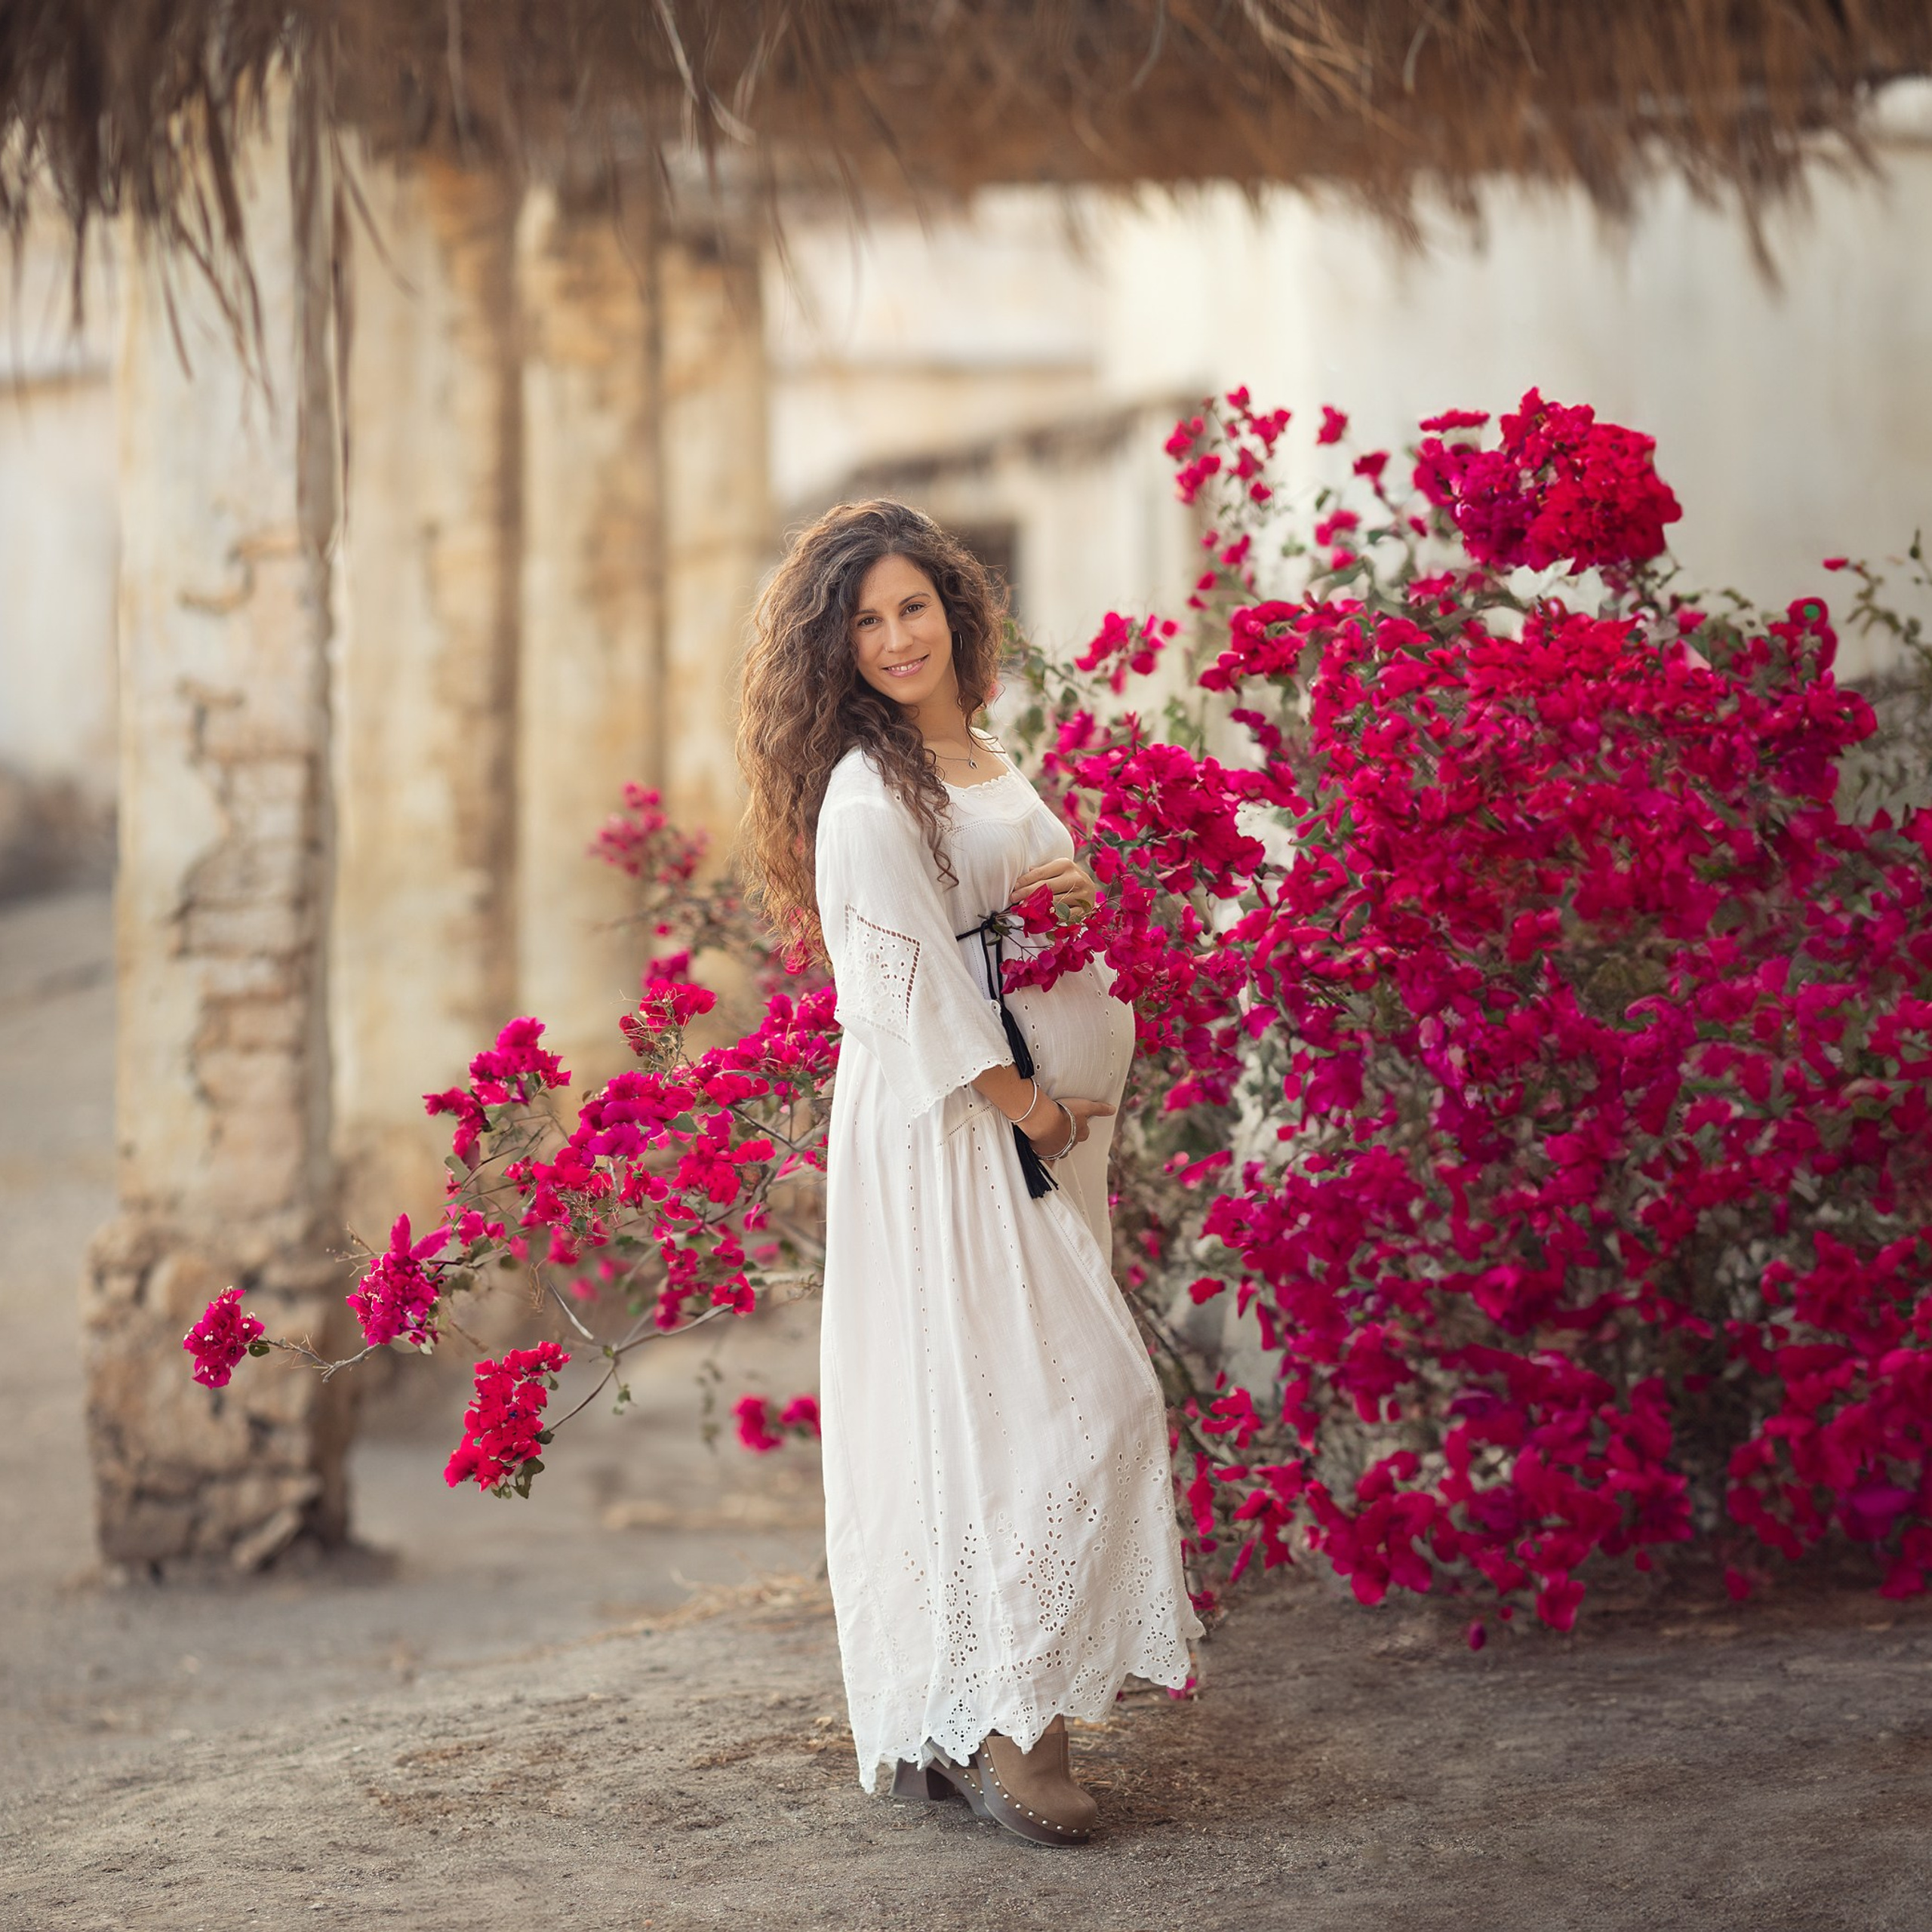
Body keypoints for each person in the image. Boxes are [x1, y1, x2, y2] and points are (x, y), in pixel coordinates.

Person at [735, 500, 1201, 1846]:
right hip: (962, 1129)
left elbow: (991, 916)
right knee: (1064, 1409)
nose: (894, 637)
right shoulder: (867, 796)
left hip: (1038, 1125)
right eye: (865, 620)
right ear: (833, 647)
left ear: (954, 607)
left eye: (912, 607)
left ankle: (956, 1715)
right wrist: (1031, 1114)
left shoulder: (982, 751)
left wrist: (1068, 910)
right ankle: (1013, 1729)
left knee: (991, 1407)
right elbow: (899, 990)